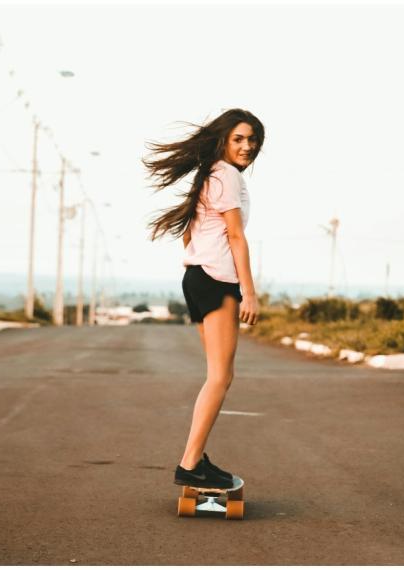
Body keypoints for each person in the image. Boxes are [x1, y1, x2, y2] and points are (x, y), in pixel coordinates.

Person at [143, 108, 265, 489]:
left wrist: (199, 267)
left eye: (252, 139)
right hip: (216, 280)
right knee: (220, 377)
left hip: (197, 277)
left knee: (217, 375)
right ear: (224, 141)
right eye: (239, 139)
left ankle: (194, 458)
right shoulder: (226, 175)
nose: (247, 146)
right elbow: (235, 237)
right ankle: (190, 463)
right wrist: (249, 291)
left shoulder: (210, 173)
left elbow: (189, 232)